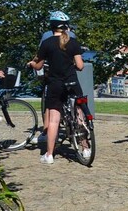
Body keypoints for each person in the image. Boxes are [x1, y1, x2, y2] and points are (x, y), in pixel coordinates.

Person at [28, 17, 85, 164]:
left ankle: (49, 155)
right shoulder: (73, 43)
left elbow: (39, 65)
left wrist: (32, 64)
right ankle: (85, 148)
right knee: (79, 113)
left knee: (54, 119)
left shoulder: (47, 43)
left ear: (52, 27)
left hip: (55, 84)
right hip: (72, 82)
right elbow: (80, 66)